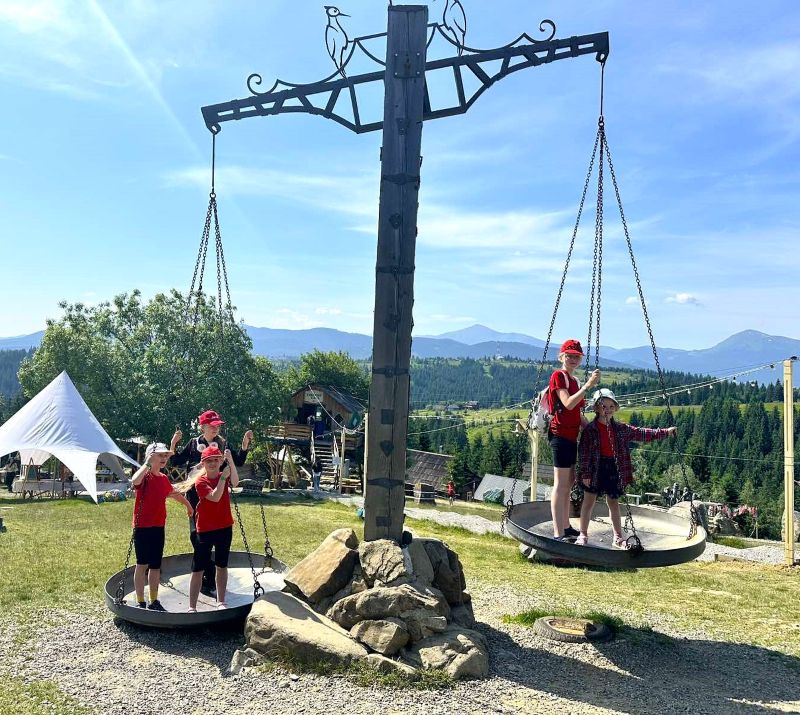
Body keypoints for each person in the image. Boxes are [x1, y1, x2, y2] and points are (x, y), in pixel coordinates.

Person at [575, 388, 676, 548]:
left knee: (613, 503)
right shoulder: (590, 430)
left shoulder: (621, 429)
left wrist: (665, 432)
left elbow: (642, 433)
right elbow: (584, 453)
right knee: (588, 502)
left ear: (615, 408)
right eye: (603, 406)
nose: (607, 410)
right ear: (596, 408)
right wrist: (586, 473)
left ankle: (617, 537)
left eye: (611, 406)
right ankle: (583, 534)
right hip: (595, 469)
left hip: (614, 467)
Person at [170, 409, 252, 597]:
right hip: (195, 493)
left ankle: (209, 579)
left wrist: (245, 444)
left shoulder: (222, 444)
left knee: (215, 533)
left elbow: (238, 461)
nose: (215, 429)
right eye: (212, 426)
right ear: (203, 427)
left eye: (217, 426)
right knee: (195, 536)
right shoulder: (193, 443)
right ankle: (209, 570)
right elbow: (176, 460)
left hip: (218, 493)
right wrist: (174, 443)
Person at [547, 339, 601, 541]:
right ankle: (558, 532)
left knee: (568, 483)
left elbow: (576, 413)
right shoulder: (558, 376)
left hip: (571, 436)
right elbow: (568, 404)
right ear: (561, 357)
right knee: (561, 484)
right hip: (560, 435)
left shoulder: (575, 381)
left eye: (576, 356)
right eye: (569, 355)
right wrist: (588, 385)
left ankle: (565, 526)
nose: (573, 359)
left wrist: (592, 429)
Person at [131, 443, 194, 611]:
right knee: (142, 564)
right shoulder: (145, 477)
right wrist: (147, 464)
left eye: (166, 455)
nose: (164, 458)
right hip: (142, 527)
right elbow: (134, 480)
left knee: (155, 566)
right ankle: (140, 600)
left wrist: (188, 505)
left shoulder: (163, 478)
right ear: (150, 457)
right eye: (160, 455)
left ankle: (153, 600)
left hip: (158, 527)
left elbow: (174, 494)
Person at [179, 444, 239, 612]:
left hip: (224, 527)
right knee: (198, 568)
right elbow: (215, 497)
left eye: (215, 460)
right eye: (208, 461)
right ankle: (192, 606)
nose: (212, 463)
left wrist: (231, 462)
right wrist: (223, 479)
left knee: (222, 565)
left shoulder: (223, 475)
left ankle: (221, 601)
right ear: (203, 463)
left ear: (220, 461)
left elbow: (235, 482)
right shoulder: (201, 481)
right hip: (205, 529)